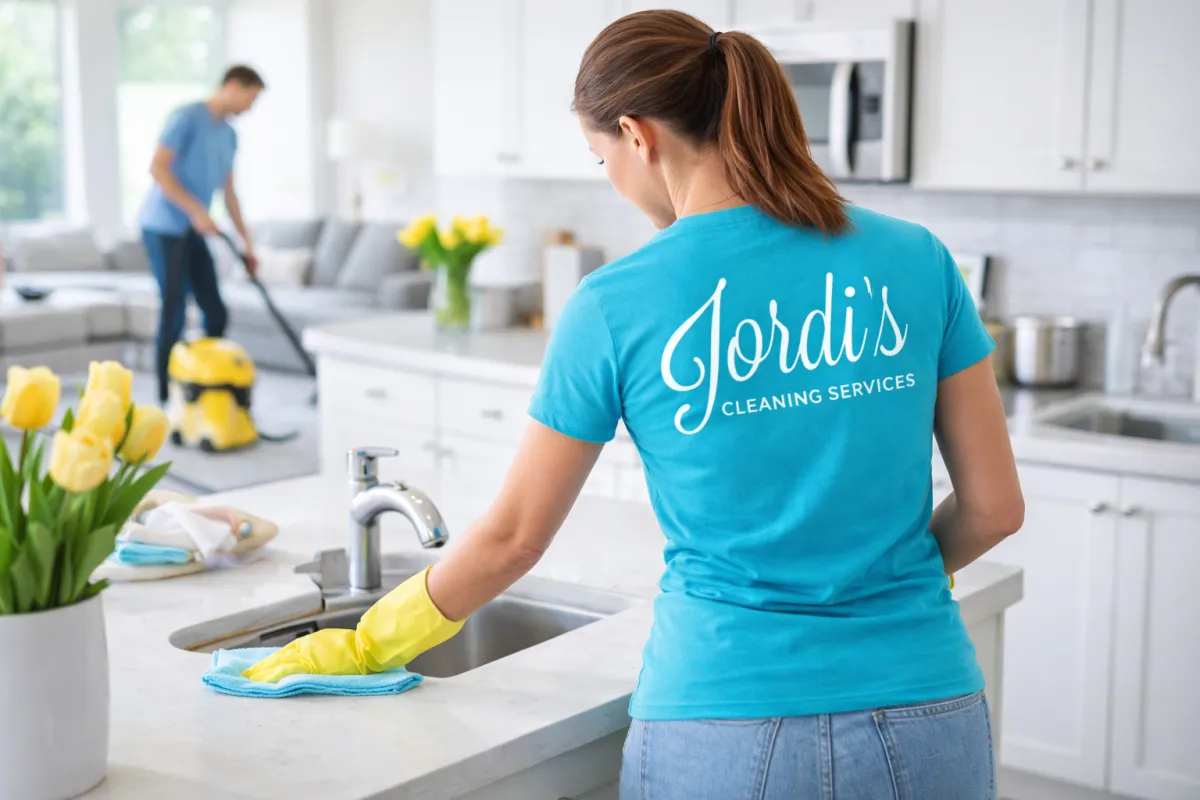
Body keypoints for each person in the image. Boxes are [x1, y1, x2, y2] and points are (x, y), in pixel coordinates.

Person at [243, 11, 1023, 798]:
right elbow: (994, 510)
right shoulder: (918, 258)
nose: (609, 178)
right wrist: (881, 577)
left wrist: (372, 641)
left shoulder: (615, 304)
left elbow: (513, 539)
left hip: (723, 717)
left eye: (600, 156)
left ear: (637, 134)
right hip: (927, 707)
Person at [138, 64, 264, 405]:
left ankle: (206, 381)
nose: (250, 108)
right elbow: (158, 168)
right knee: (174, 310)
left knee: (216, 310)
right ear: (234, 85)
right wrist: (196, 210)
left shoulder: (230, 133)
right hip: (163, 227)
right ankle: (167, 395)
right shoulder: (187, 117)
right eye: (249, 99)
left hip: (194, 230)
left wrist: (247, 244)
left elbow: (230, 192)